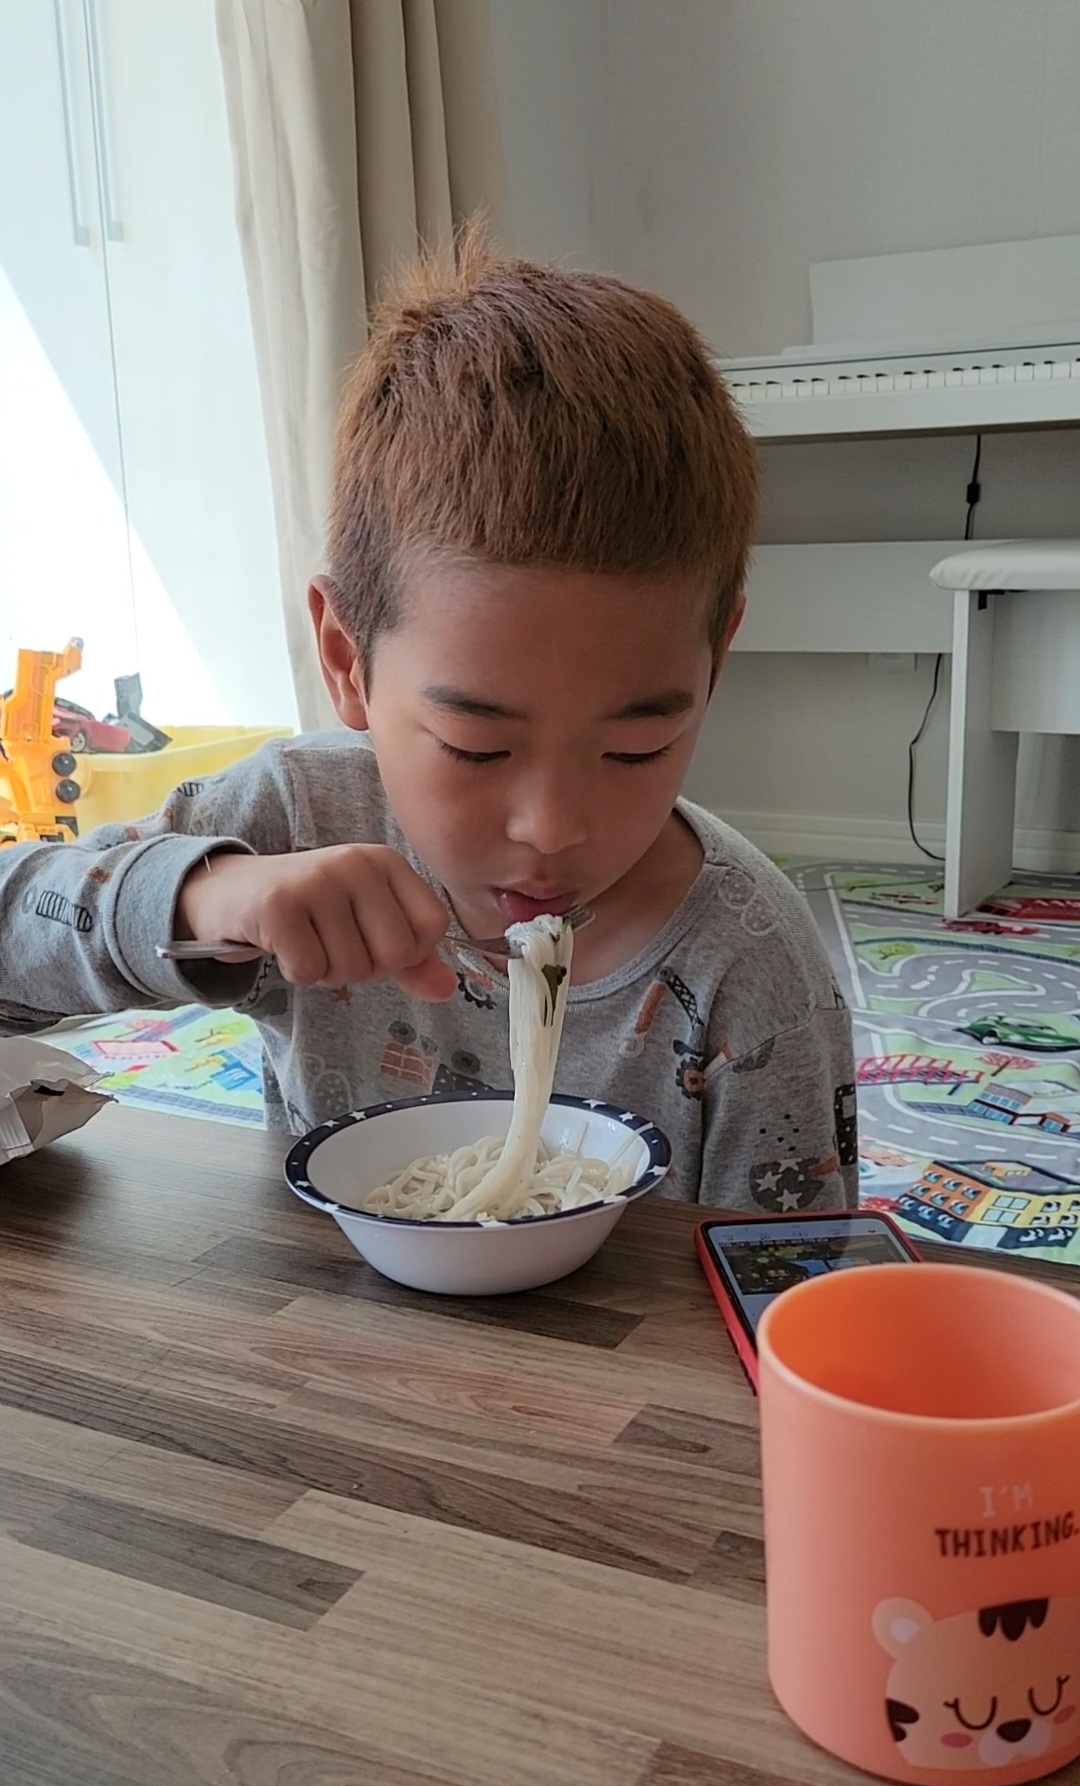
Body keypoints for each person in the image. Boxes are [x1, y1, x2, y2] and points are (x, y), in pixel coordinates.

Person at [0, 232, 857, 1210]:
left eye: (635, 749)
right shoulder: (296, 820)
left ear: (715, 663)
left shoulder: (752, 965)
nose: (551, 826)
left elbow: (785, 1276)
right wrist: (201, 896)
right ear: (345, 658)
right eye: (476, 746)